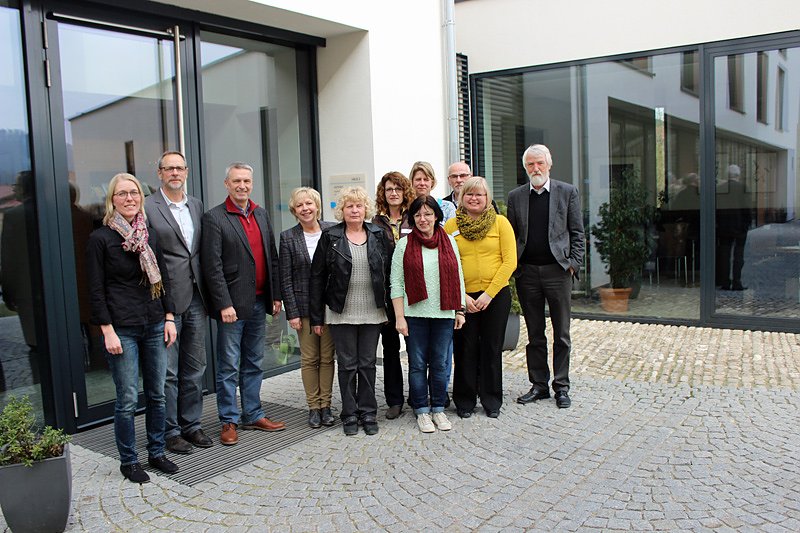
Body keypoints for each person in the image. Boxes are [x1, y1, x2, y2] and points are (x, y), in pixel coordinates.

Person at [87, 173, 179, 484]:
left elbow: (163, 278)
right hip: (121, 328)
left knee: (157, 394)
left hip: (154, 323)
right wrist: (107, 330)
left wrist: (169, 317)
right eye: (122, 193)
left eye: (134, 193)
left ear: (141, 197)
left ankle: (157, 452)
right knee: (127, 399)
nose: (129, 198)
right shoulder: (100, 239)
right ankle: (129, 461)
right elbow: (95, 290)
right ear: (112, 200)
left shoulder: (150, 235)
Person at [201, 162, 285, 446]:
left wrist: (275, 295)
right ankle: (228, 420)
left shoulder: (260, 213)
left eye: (246, 181)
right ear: (227, 184)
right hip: (232, 307)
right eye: (236, 181)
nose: (242, 186)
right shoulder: (215, 218)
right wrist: (223, 303)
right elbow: (212, 266)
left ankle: (253, 413)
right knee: (228, 365)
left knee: (254, 361)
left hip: (260, 301)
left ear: (252, 183)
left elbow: (271, 257)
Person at [144, 151, 212, 454]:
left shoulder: (195, 204)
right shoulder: (148, 207)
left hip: (197, 296)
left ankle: (192, 425)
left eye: (179, 168)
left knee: (196, 366)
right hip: (165, 300)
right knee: (168, 372)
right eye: (169, 168)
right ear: (159, 173)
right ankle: (169, 431)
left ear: (186, 172)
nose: (175, 173)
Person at [507, 144, 584, 409]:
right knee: (535, 334)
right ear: (525, 167)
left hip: (558, 271)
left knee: (562, 333)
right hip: (527, 273)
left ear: (549, 165)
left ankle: (561, 386)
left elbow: (578, 232)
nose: (535, 168)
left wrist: (573, 264)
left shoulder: (567, 192)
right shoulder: (516, 196)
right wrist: (515, 268)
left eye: (540, 163)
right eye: (530, 164)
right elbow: (512, 236)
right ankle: (539, 385)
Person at [310, 186, 391, 436]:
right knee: (347, 365)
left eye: (358, 205)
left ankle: (368, 412)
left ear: (366, 209)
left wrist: (392, 309)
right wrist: (316, 317)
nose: (354, 210)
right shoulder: (330, 236)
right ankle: (349, 414)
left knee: (367, 363)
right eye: (349, 206)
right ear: (342, 210)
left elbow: (389, 272)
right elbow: (317, 277)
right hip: (340, 310)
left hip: (372, 311)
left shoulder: (378, 234)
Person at [392, 195, 465, 433]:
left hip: (444, 313)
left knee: (440, 364)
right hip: (415, 315)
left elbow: (458, 276)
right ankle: (422, 410)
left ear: (436, 216)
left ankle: (438, 409)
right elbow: (396, 283)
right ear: (412, 218)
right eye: (418, 215)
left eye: (428, 214)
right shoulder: (404, 244)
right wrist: (400, 317)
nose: (423, 219)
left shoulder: (449, 242)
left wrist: (460, 310)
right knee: (417, 364)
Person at [444, 177, 516, 418]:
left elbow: (510, 262)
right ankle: (464, 400)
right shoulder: (451, 226)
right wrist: (462, 296)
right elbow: (447, 264)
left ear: (487, 198)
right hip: (462, 297)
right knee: (465, 348)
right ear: (461, 197)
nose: (474, 198)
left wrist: (488, 294)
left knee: (491, 347)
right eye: (469, 194)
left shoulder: (500, 223)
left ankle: (491, 399)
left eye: (479, 195)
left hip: (495, 296)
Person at [279, 187, 336, 428]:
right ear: (294, 210)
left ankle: (326, 406)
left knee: (327, 358)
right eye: (300, 205)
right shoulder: (288, 237)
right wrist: (291, 313)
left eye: (309, 203)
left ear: (317, 206)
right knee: (310, 358)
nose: (305, 209)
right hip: (303, 309)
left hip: (330, 307)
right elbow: (285, 279)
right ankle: (314, 407)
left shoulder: (332, 230)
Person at [371, 171, 414, 419]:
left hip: (414, 293)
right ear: (383, 193)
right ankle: (394, 400)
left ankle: (418, 395)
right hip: (387, 294)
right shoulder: (375, 223)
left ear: (404, 191)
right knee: (390, 349)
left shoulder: (414, 217)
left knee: (416, 349)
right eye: (389, 189)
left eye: (398, 188)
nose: (394, 193)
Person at [716, 164, 752, 291]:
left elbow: (717, 208)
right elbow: (747, 208)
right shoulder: (743, 188)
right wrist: (747, 223)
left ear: (727, 175)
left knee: (724, 255)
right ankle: (737, 281)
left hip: (724, 227)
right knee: (738, 255)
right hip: (740, 226)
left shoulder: (720, 188)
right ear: (738, 175)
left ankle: (725, 282)